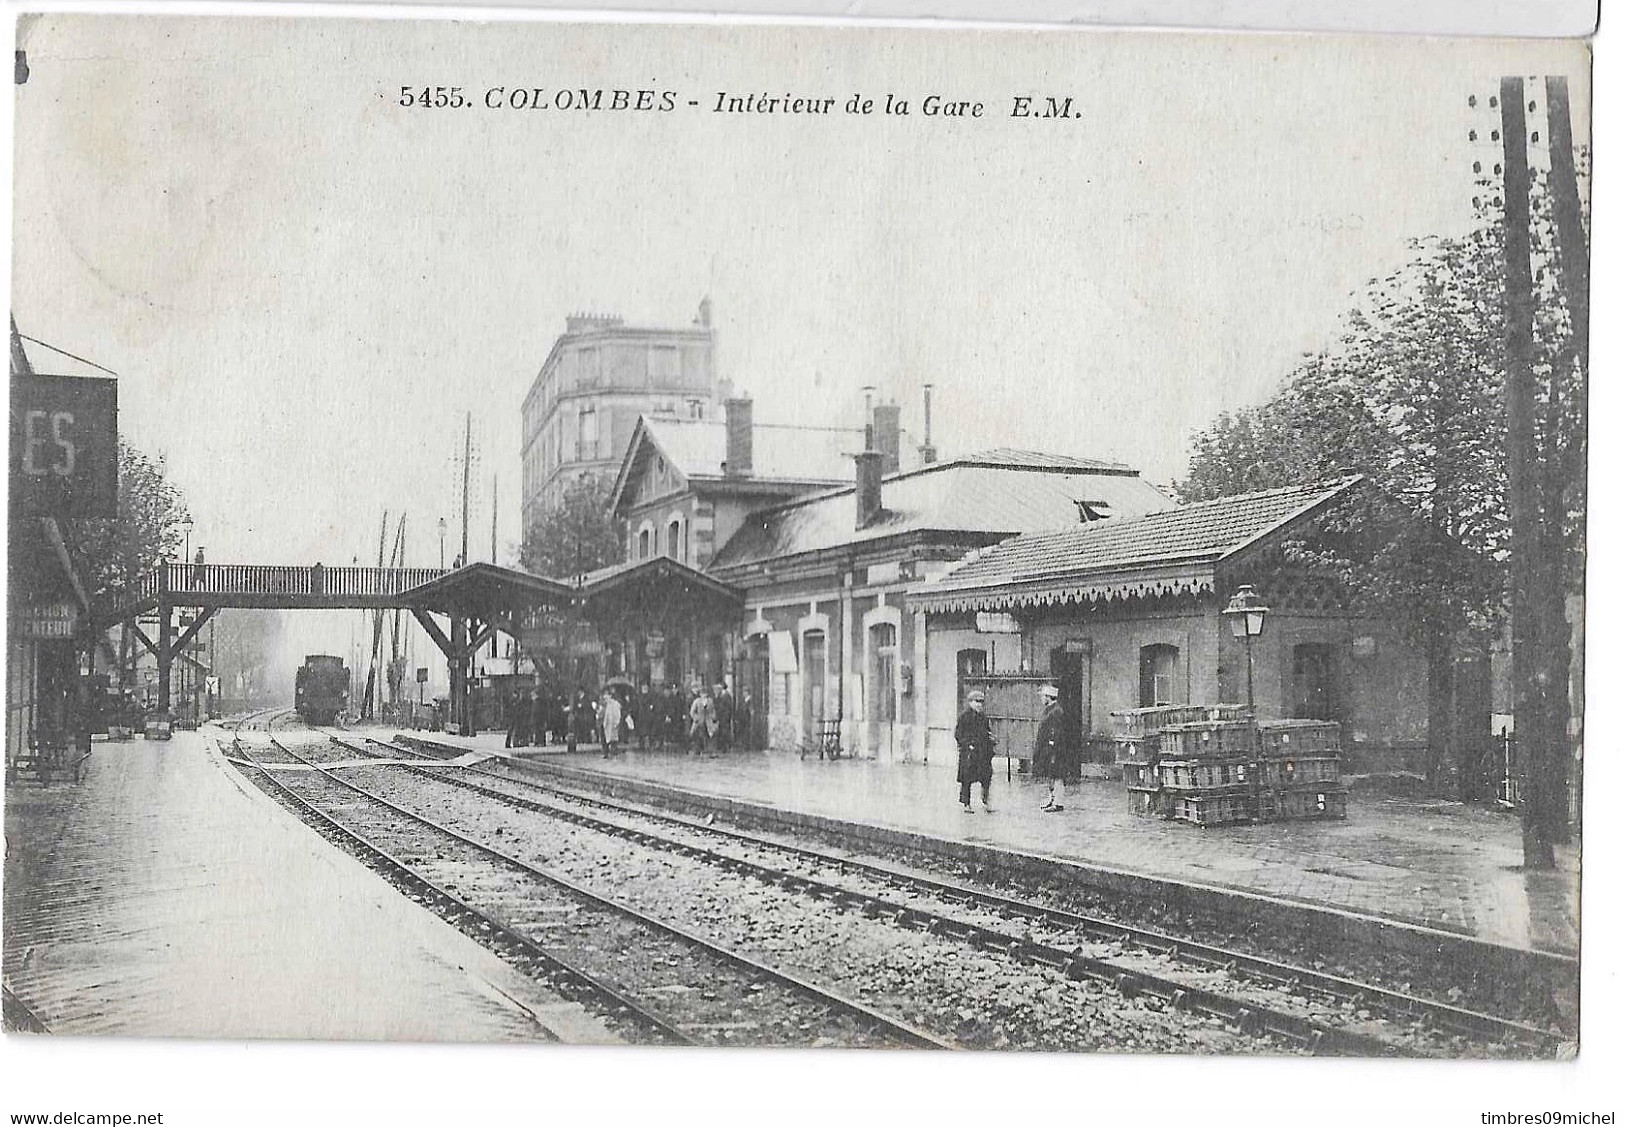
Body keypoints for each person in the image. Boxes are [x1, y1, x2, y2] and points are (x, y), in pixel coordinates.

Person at [955, 689, 996, 812]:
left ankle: (986, 801)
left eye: (981, 702)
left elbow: (987, 732)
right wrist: (967, 745)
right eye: (976, 702)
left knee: (986, 776)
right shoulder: (964, 716)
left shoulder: (983, 717)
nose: (979, 705)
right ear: (970, 702)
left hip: (982, 752)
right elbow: (958, 734)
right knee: (967, 778)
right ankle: (966, 803)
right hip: (969, 752)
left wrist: (991, 740)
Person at [1032, 683, 1067, 811]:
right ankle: (1052, 799)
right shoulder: (1050, 709)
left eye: (1043, 696)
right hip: (1049, 748)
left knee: (1057, 775)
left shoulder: (1056, 711)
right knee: (1051, 774)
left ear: (1048, 697)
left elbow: (1055, 732)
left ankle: (1058, 802)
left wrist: (1051, 748)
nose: (1041, 699)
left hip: (1054, 749)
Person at [688, 684, 716, 755]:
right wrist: (695, 718)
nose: (704, 695)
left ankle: (708, 750)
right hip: (699, 721)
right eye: (702, 694)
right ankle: (697, 750)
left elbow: (713, 711)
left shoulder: (710, 701)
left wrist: (713, 717)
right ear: (700, 694)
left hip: (708, 721)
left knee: (709, 736)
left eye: (705, 694)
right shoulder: (697, 701)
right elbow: (692, 711)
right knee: (698, 736)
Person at [600, 690, 624, 758]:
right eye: (604, 695)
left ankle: (614, 752)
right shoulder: (603, 704)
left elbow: (617, 714)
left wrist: (616, 723)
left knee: (613, 738)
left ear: (610, 696)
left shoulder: (615, 704)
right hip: (604, 723)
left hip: (611, 724)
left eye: (606, 695)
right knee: (604, 739)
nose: (605, 697)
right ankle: (605, 752)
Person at [713, 682, 735, 753]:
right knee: (722, 731)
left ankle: (725, 747)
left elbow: (726, 707)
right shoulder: (721, 695)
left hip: (725, 717)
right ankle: (722, 746)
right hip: (722, 717)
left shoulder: (726, 695)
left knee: (724, 731)